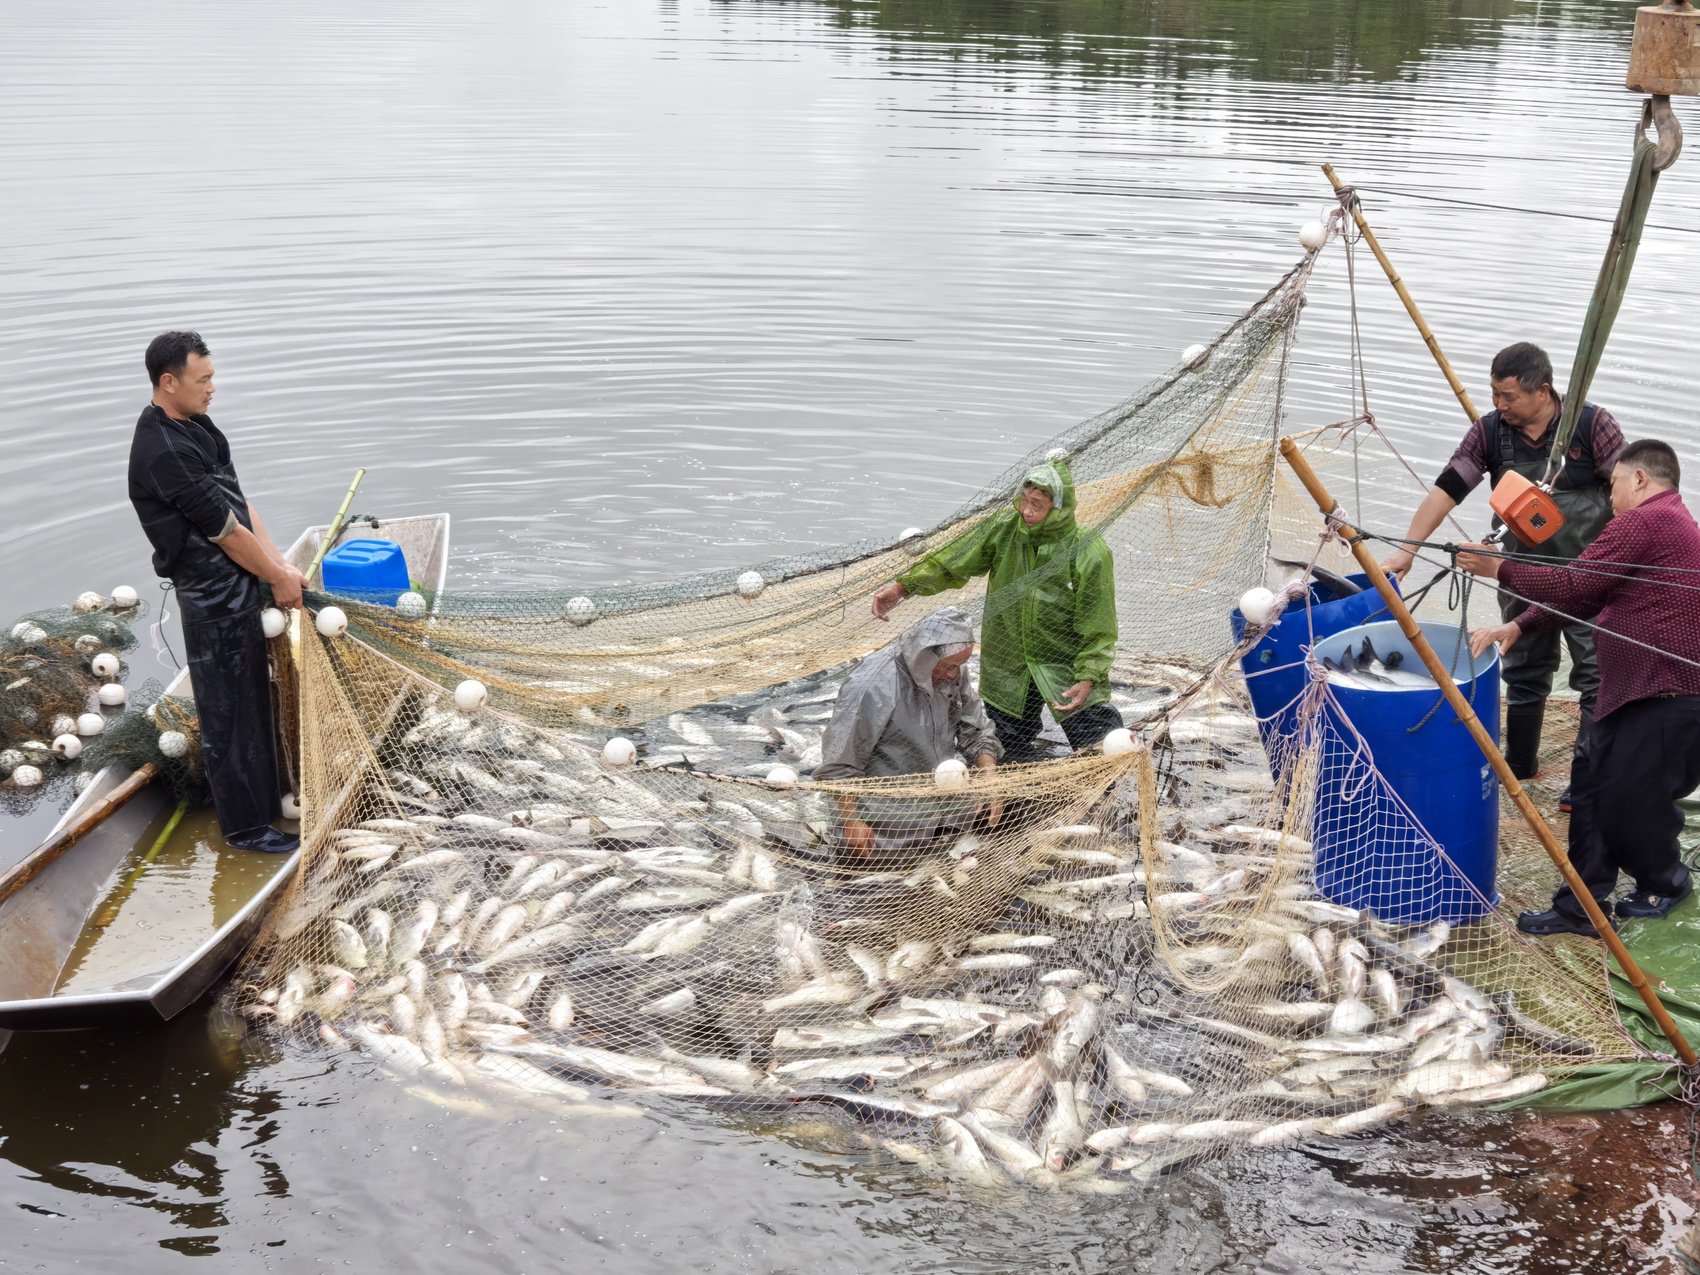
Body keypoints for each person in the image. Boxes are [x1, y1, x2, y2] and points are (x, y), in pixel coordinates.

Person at [1458, 440, 1700, 937]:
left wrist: (1497, 567)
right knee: (1590, 788)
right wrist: (1519, 627)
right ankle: (1580, 907)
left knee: (1632, 801)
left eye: (1613, 486)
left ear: (1639, 480)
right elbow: (1588, 592)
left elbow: (1573, 587)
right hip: (1629, 691)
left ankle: (1667, 882)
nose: (1609, 498)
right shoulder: (1656, 524)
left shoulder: (1648, 520)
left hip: (1666, 693)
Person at [1381, 343, 1624, 799]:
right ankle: (1520, 764)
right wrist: (1408, 548)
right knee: (1524, 668)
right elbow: (1448, 488)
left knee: (1596, 675)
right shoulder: (1490, 433)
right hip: (1519, 572)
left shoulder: (1592, 425)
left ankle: (1586, 782)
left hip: (1590, 576)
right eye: (1494, 394)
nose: (1498, 405)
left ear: (1543, 392)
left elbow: (1629, 494)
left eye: (1508, 396)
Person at [128, 331, 306, 854]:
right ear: (168, 382)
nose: (212, 388)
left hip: (244, 577)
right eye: (202, 379)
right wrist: (275, 578)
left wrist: (278, 564)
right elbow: (223, 530)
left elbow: (238, 503)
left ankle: (271, 796)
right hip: (210, 597)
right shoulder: (162, 451)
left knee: (260, 696)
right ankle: (246, 829)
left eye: (212, 377)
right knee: (229, 713)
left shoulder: (198, 425)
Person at [870, 454, 1121, 761]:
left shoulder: (1089, 551)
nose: (1026, 511)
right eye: (1024, 500)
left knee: (1105, 749)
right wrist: (902, 588)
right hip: (1008, 664)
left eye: (1037, 505)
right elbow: (953, 562)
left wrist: (1089, 675)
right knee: (1004, 753)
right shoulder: (1004, 529)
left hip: (1064, 665)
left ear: (1058, 508)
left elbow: (1099, 623)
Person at [816, 607, 1003, 860]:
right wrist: (852, 820)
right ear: (924, 657)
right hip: (886, 821)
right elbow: (839, 764)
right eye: (948, 666)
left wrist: (989, 776)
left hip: (945, 804)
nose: (953, 674)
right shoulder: (873, 686)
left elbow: (976, 728)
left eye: (959, 666)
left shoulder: (953, 669)